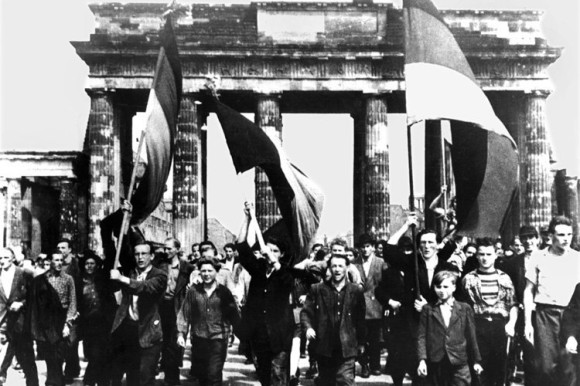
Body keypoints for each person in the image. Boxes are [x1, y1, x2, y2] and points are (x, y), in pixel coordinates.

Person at [236, 203, 295, 386]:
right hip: (258, 334)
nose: (270, 253)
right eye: (267, 249)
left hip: (279, 335)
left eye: (275, 251)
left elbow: (288, 283)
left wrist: (274, 262)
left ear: (282, 254)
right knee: (263, 376)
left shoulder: (286, 272)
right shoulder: (258, 270)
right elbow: (242, 247)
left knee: (278, 375)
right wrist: (247, 218)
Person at [524, 216, 580, 386]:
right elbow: (528, 291)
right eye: (561, 234)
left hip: (572, 316)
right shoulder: (538, 256)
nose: (566, 239)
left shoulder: (578, 258)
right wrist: (528, 323)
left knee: (569, 368)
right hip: (545, 316)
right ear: (551, 235)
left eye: (569, 234)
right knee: (546, 367)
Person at [301, 253, 367, 386]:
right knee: (327, 381)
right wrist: (308, 328)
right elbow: (306, 312)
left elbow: (360, 319)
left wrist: (361, 342)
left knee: (345, 380)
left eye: (340, 266)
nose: (337, 269)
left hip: (347, 346)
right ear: (329, 269)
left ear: (347, 268)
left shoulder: (356, 291)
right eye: (334, 266)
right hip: (324, 346)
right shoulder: (317, 289)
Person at [109, 241, 168, 386]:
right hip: (129, 329)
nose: (140, 257)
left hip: (149, 331)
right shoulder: (131, 272)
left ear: (152, 256)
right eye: (137, 254)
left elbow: (144, 288)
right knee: (131, 374)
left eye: (144, 254)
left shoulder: (160, 276)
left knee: (145, 376)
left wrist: (121, 278)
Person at [461, 238, 518, 386]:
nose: (485, 258)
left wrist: (511, 324)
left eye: (488, 254)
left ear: (496, 255)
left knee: (500, 370)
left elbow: (513, 304)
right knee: (479, 370)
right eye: (481, 254)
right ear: (477, 256)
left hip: (500, 326)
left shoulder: (504, 278)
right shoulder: (468, 279)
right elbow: (462, 307)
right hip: (477, 326)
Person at [176, 257, 240, 386]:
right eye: (203, 271)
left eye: (210, 271)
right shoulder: (194, 291)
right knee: (202, 375)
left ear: (216, 272)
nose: (206, 274)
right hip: (199, 337)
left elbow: (234, 315)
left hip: (219, 338)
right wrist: (181, 334)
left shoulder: (224, 292)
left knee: (214, 374)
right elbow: (185, 312)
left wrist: (242, 333)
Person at [417, 270, 482, 386]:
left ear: (454, 287)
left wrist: (476, 361)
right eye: (438, 287)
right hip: (436, 360)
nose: (442, 290)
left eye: (446, 286)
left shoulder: (464, 308)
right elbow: (421, 337)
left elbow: (472, 336)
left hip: (459, 360)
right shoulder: (428, 309)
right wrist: (422, 360)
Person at [29, 252, 77, 386]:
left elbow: (73, 302)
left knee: (59, 354)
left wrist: (68, 324)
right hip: (46, 321)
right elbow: (36, 303)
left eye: (61, 260)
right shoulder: (41, 280)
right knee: (49, 355)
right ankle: (54, 380)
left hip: (61, 320)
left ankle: (53, 381)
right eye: (56, 260)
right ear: (50, 261)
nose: (59, 263)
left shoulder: (68, 279)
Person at [158, 237, 194, 386]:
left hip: (178, 308)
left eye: (169, 248)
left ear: (177, 249)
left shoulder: (188, 268)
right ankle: (168, 373)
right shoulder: (160, 265)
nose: (166, 251)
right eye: (164, 248)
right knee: (163, 343)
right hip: (161, 308)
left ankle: (172, 379)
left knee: (175, 344)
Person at [0, 247, 38, 386]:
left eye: (5, 258)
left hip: (21, 323)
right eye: (0, 258)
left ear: (12, 258)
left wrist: (21, 303)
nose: (2, 261)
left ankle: (32, 383)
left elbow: (33, 297)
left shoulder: (24, 274)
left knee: (26, 358)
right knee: (3, 358)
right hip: (3, 322)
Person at [77, 251, 116, 386]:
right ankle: (95, 380)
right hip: (87, 323)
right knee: (92, 354)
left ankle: (93, 381)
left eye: (92, 263)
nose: (89, 266)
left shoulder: (103, 279)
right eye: (87, 263)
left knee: (100, 353)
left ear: (96, 265)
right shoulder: (78, 281)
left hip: (103, 323)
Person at [353, 234, 389, 377]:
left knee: (375, 338)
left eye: (368, 246)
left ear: (373, 248)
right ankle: (364, 365)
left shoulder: (381, 263)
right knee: (361, 338)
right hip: (359, 305)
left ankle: (375, 365)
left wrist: (386, 303)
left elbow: (385, 284)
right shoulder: (353, 263)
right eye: (362, 247)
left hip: (376, 305)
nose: (365, 250)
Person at [56, 239, 82, 384]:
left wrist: (77, 309)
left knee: (72, 341)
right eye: (58, 247)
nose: (60, 249)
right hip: (59, 309)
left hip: (75, 308)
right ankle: (68, 370)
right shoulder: (57, 263)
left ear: (70, 249)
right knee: (61, 341)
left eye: (63, 247)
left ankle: (71, 370)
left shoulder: (76, 265)